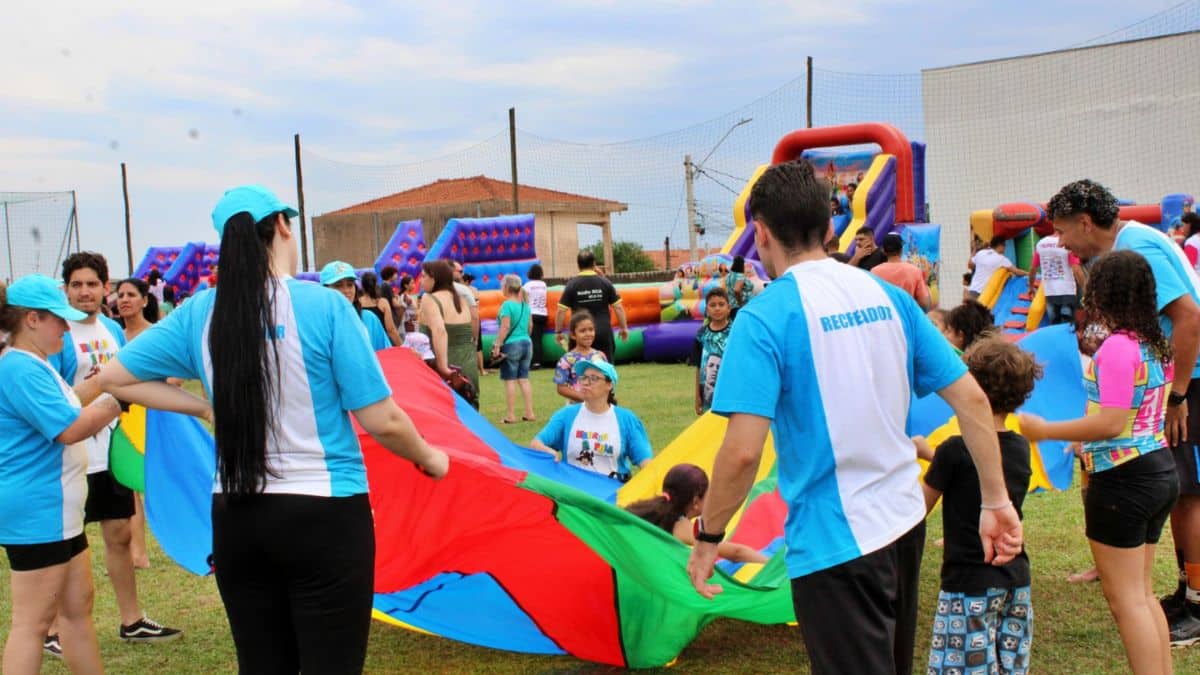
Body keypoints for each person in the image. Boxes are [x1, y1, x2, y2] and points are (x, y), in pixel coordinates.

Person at [685, 160, 1023, 675]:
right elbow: (973, 401)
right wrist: (995, 500)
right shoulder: (890, 297)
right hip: (903, 522)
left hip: (835, 542)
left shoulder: (761, 318)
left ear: (761, 233)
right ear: (829, 228)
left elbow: (743, 452)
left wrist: (709, 538)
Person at [95, 184, 449, 673]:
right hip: (324, 514)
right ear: (283, 225)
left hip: (237, 518)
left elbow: (115, 378)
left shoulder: (200, 311)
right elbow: (382, 419)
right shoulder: (325, 306)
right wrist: (429, 457)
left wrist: (202, 406)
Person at [1048, 179, 1200, 645]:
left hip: (1188, 377)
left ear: (1085, 222)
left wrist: (1178, 396)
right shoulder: (1128, 244)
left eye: (1061, 231)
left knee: (1190, 495)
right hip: (1173, 377)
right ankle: (1181, 590)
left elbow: (1190, 318)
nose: (1060, 243)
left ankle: (1197, 602)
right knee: (1178, 491)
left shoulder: (1137, 248)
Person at [1020, 250, 1179, 669]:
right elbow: (1128, 416)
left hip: (1125, 480)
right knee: (1142, 594)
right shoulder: (1155, 344)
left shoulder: (1118, 348)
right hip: (1157, 469)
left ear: (1105, 292)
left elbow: (1111, 422)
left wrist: (1045, 430)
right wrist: (1083, 439)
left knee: (1126, 600)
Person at [48, 252, 182, 649]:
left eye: (92, 284)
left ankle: (132, 620)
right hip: (71, 454)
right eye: (76, 285)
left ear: (104, 287)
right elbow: (53, 398)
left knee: (120, 534)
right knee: (63, 545)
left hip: (111, 450)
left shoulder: (111, 329)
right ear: (65, 289)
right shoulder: (57, 333)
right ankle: (52, 630)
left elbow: (129, 379)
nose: (84, 292)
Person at [0, 274, 122, 675]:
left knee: (77, 609)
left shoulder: (35, 363)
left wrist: (108, 384)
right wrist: (118, 401)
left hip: (58, 511)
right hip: (39, 510)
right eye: (59, 319)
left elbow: (70, 403)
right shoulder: (20, 367)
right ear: (31, 319)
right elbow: (69, 428)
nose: (67, 329)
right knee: (32, 624)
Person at [915, 338, 1040, 675]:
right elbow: (980, 468)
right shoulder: (1020, 447)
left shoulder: (953, 450)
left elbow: (918, 509)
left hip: (968, 584)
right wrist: (932, 455)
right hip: (1016, 580)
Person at [531, 360, 651, 481]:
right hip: (573, 489)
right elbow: (536, 443)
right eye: (583, 378)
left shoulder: (627, 419)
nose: (586, 383)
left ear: (609, 385)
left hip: (613, 491)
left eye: (594, 378)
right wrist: (549, 452)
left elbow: (646, 463)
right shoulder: (566, 415)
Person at [626, 464, 768, 564]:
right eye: (708, 495)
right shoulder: (679, 525)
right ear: (695, 501)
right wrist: (768, 563)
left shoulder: (645, 509)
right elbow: (736, 552)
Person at [114, 278, 160, 570]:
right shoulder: (114, 335)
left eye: (131, 294)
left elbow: (175, 377)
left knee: (157, 484)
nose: (124, 300)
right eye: (120, 295)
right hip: (122, 416)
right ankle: (138, 553)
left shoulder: (156, 334)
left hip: (153, 415)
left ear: (145, 300)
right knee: (130, 486)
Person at [420, 259, 480, 399]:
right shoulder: (461, 299)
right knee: (470, 408)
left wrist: (442, 367)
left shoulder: (429, 299)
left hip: (447, 367)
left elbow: (440, 331)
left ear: (434, 278)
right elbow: (474, 319)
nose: (421, 281)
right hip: (468, 365)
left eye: (423, 276)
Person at [556, 250, 629, 363]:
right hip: (603, 332)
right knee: (605, 368)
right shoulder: (605, 283)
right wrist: (623, 328)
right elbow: (618, 307)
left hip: (580, 333)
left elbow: (561, 310)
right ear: (594, 264)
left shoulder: (571, 285)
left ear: (578, 265)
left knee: (578, 368)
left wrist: (558, 332)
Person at [490, 274, 535, 424]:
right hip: (527, 343)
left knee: (510, 380)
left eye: (502, 286)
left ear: (507, 287)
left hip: (511, 345)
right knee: (524, 379)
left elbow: (505, 326)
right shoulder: (525, 305)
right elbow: (530, 326)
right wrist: (524, 338)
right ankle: (529, 413)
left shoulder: (507, 305)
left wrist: (497, 344)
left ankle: (510, 415)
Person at [321, 261, 391, 352]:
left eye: (350, 285)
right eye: (338, 285)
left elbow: (386, 354)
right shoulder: (318, 324)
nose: (346, 291)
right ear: (324, 289)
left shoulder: (369, 318)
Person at [690, 287, 732, 415]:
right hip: (708, 397)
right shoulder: (701, 335)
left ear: (729, 308)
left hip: (731, 393)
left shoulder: (735, 332)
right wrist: (697, 396)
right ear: (707, 310)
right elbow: (698, 367)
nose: (717, 308)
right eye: (713, 305)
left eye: (721, 304)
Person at [1029, 233, 1085, 325]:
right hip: (1067, 292)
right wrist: (1085, 288)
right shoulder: (1067, 243)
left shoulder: (1040, 244)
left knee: (1054, 325)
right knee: (1068, 326)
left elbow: (1033, 268)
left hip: (1050, 292)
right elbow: (1076, 270)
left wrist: (1031, 287)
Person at [553, 310, 608, 404]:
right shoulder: (566, 360)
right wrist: (584, 397)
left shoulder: (600, 356)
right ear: (573, 335)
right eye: (583, 331)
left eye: (591, 329)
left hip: (599, 406)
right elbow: (561, 388)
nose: (588, 334)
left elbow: (607, 381)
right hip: (576, 408)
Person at [872, 232, 933, 310]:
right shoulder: (914, 271)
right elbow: (924, 305)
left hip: (885, 315)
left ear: (883, 250)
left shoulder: (874, 272)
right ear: (901, 249)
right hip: (906, 315)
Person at [449, 261, 484, 375]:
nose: (462, 274)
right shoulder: (464, 290)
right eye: (460, 272)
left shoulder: (435, 290)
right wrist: (475, 337)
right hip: (463, 328)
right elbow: (474, 315)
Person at [967, 236, 1026, 300]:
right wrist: (1029, 274)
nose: (1005, 248)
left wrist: (974, 250)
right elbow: (1017, 272)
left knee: (969, 306)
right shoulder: (1002, 259)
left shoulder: (981, 253)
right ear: (1000, 245)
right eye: (1004, 245)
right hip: (986, 294)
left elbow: (970, 265)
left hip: (973, 290)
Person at [359, 270, 401, 347]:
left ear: (362, 286)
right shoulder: (382, 302)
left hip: (363, 343)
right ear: (375, 285)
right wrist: (401, 346)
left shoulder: (358, 303)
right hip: (380, 343)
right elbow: (390, 329)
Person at [523, 264, 548, 369]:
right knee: (538, 339)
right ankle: (538, 361)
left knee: (532, 339)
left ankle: (533, 362)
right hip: (543, 314)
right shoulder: (543, 285)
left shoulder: (527, 285)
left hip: (532, 314)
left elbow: (523, 299)